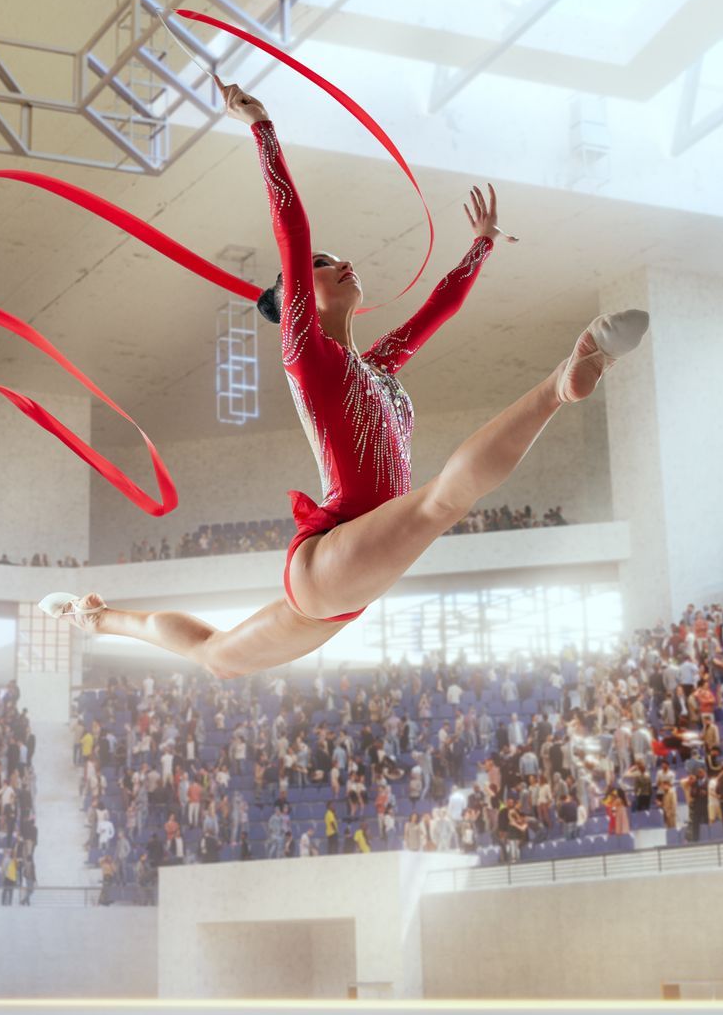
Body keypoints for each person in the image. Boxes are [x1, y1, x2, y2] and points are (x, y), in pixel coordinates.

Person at [40, 80, 649, 676]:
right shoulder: (306, 349)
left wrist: (482, 246)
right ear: (299, 289)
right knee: (222, 653)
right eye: (326, 267)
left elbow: (440, 308)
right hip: (350, 564)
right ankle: (95, 620)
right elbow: (294, 234)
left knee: (432, 508)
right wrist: (263, 130)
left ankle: (561, 381)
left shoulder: (377, 367)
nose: (343, 264)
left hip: (336, 562)